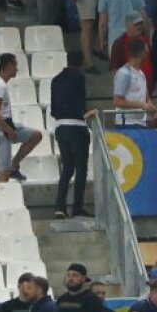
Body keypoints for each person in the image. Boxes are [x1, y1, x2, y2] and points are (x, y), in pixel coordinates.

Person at [0, 53, 44, 182]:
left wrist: (9, 129)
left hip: (5, 127)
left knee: (36, 135)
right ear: (7, 66)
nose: (17, 68)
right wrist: (8, 130)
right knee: (3, 172)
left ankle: (13, 166)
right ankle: (1, 200)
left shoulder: (0, 84)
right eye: (15, 65)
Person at [50, 51, 93, 219]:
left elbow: (53, 109)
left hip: (61, 127)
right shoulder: (79, 77)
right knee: (81, 168)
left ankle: (60, 206)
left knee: (67, 168)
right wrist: (86, 112)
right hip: (77, 127)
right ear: (81, 63)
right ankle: (77, 207)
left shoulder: (55, 80)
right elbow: (80, 102)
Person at [113, 38, 156, 126]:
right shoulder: (124, 73)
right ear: (143, 53)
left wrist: (152, 111)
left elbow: (147, 98)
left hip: (141, 123)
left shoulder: (141, 73)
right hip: (127, 123)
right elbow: (117, 101)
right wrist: (142, 105)